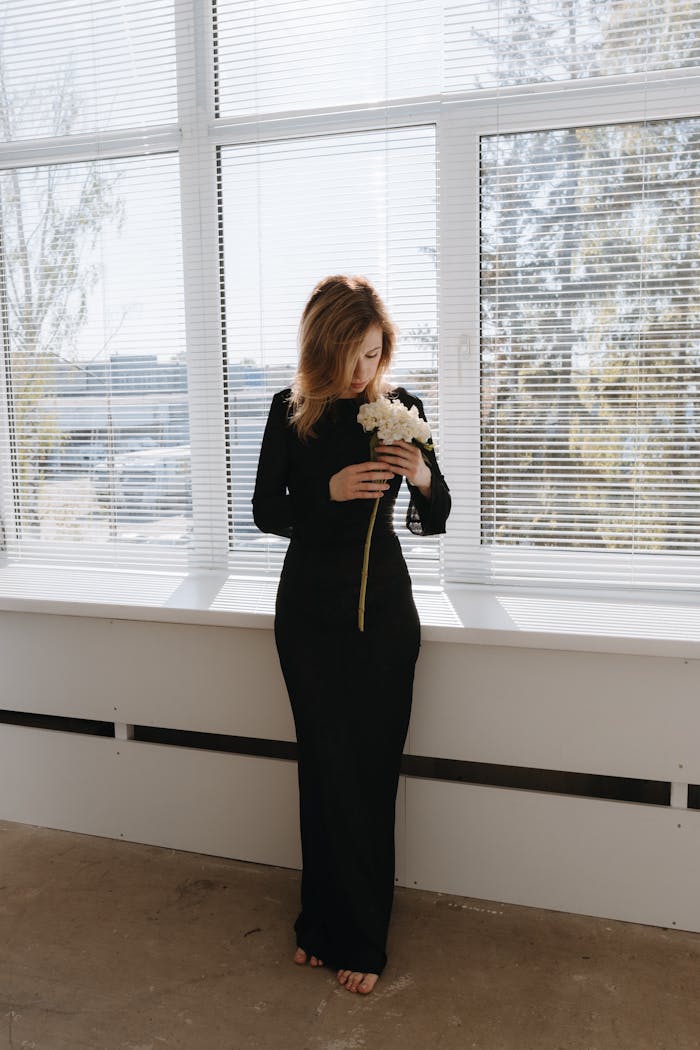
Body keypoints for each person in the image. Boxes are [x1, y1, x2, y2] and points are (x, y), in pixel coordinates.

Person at [252, 274, 451, 995]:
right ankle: (318, 921)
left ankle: (361, 939)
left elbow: (437, 516)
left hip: (382, 619)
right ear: (321, 349)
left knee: (369, 775)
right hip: (306, 617)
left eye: (374, 355)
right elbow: (265, 510)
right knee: (322, 769)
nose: (365, 372)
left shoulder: (402, 411)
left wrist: (423, 476)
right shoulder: (289, 412)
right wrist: (326, 491)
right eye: (352, 357)